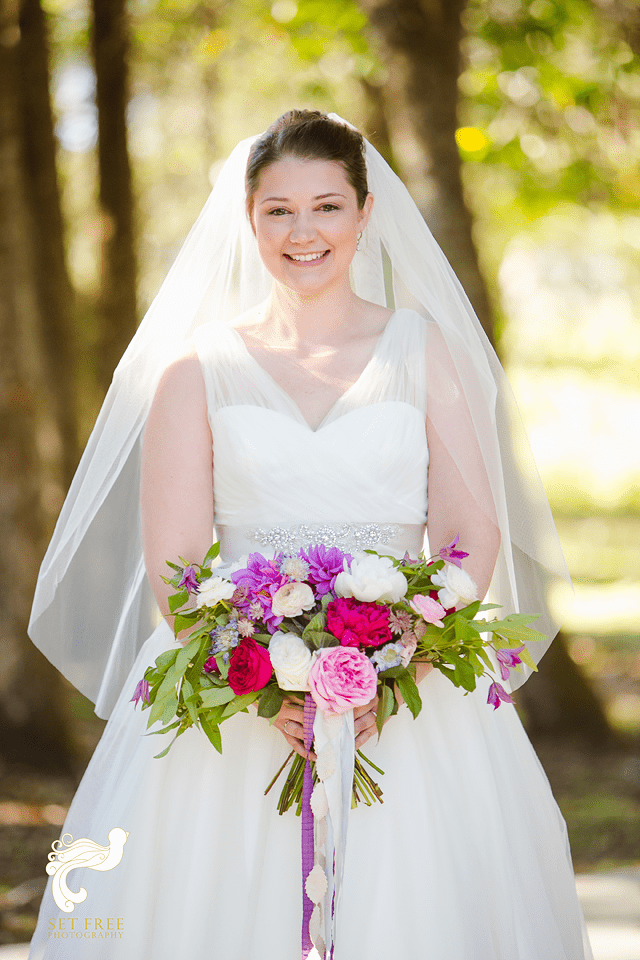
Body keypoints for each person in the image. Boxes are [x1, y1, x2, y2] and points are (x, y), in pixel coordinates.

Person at [26, 110, 593, 959]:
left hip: (413, 693)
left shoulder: (420, 347)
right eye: (279, 210)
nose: (304, 232)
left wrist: (403, 662)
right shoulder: (196, 368)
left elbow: (472, 530)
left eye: (327, 206)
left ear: (365, 214)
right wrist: (263, 684)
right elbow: (176, 564)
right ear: (248, 220)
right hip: (238, 687)